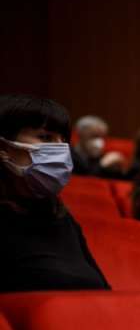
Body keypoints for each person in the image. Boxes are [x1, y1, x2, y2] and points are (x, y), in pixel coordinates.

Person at [0, 94, 110, 292]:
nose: (59, 148)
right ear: (4, 148)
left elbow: (103, 290)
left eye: (63, 140)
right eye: (45, 137)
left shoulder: (61, 216)